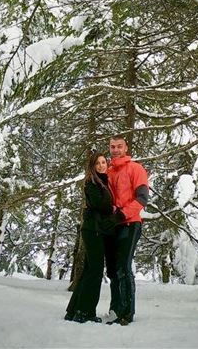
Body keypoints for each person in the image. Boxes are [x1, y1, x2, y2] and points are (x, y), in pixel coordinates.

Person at [65, 152, 117, 323]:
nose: (102, 165)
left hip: (96, 230)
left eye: (104, 162)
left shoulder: (103, 181)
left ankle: (73, 311)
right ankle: (85, 312)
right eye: (98, 163)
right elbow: (98, 204)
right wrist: (113, 208)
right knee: (95, 271)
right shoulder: (92, 182)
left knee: (89, 270)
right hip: (93, 230)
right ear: (92, 166)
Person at [105, 135, 149, 326]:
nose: (115, 150)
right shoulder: (107, 172)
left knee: (123, 267)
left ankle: (127, 312)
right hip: (112, 226)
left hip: (130, 223)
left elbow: (142, 199)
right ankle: (115, 309)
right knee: (113, 271)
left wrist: (122, 214)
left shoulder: (136, 168)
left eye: (119, 146)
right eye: (112, 146)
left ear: (126, 147)